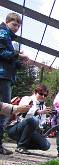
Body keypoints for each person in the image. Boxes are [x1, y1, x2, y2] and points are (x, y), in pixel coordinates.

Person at [0, 12, 29, 155]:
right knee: (5, 110)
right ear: (7, 22)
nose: (17, 27)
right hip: (2, 76)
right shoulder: (2, 34)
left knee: (4, 110)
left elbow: (7, 59)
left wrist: (20, 63)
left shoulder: (7, 36)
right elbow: (1, 53)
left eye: (18, 25)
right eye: (14, 24)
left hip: (6, 75)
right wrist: (18, 55)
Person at [6, 84, 51, 154]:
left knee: (46, 145)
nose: (43, 96)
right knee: (33, 120)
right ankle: (21, 147)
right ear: (35, 92)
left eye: (45, 95)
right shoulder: (27, 99)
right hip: (14, 128)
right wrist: (39, 112)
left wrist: (42, 129)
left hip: (30, 131)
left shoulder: (44, 106)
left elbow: (41, 123)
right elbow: (21, 114)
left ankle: (22, 142)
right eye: (41, 94)